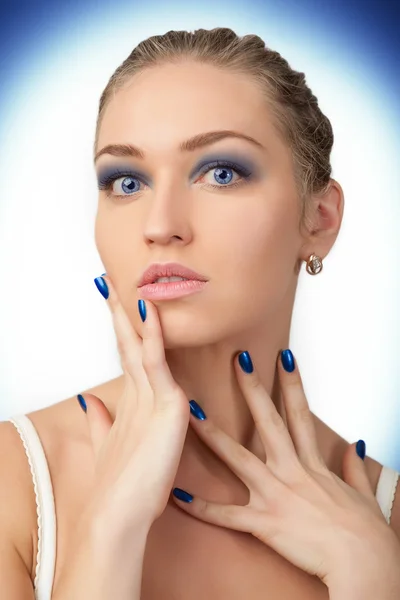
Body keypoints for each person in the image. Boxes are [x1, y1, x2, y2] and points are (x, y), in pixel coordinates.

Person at [0, 27, 399, 600]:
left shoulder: (388, 523)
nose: (160, 225)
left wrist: (375, 582)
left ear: (320, 219)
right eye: (126, 181)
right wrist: (109, 531)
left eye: (221, 173)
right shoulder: (15, 482)